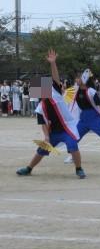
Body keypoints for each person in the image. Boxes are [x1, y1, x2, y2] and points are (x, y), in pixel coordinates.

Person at [16, 49, 86, 179]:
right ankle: (29, 168)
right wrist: (47, 138)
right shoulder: (40, 107)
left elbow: (55, 77)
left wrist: (53, 63)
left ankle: (79, 168)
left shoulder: (56, 93)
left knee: (73, 145)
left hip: (67, 128)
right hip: (54, 132)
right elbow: (43, 124)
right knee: (42, 149)